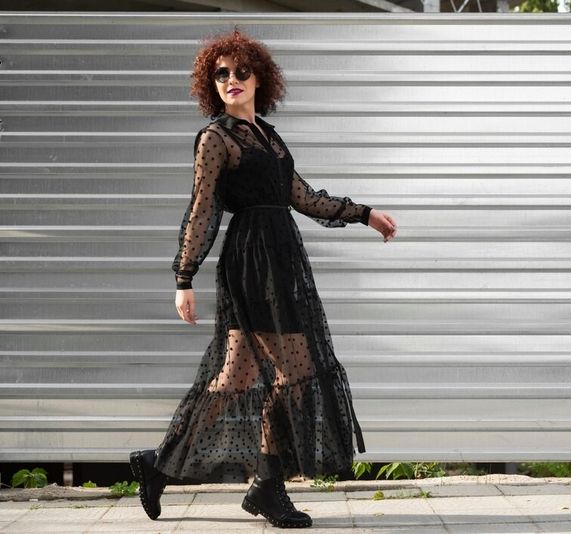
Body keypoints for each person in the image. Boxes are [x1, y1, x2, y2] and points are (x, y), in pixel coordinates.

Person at [129, 28, 397, 529]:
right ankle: (268, 487)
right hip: (252, 264)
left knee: (235, 377)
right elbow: (202, 209)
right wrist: (184, 277)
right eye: (220, 74)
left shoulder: (268, 137)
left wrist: (364, 214)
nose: (231, 79)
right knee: (293, 373)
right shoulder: (216, 138)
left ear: (259, 79)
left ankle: (161, 465)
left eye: (241, 71)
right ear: (211, 84)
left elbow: (303, 198)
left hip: (283, 260)